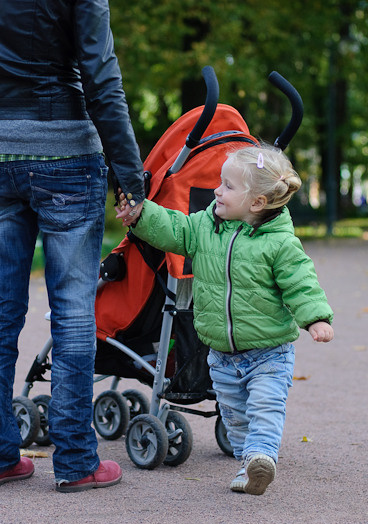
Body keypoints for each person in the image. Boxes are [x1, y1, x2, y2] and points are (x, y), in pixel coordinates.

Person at [0, 0, 145, 492]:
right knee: (73, 310)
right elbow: (100, 78)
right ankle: (76, 462)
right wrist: (130, 176)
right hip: (66, 152)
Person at [118, 144, 333, 495]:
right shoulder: (205, 227)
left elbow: (301, 282)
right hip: (220, 355)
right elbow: (174, 228)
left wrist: (316, 318)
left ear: (257, 203)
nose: (217, 190)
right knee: (234, 418)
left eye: (228, 186)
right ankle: (249, 466)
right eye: (220, 182)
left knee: (265, 408)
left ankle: (262, 456)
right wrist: (141, 214)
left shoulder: (280, 243)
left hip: (269, 353)